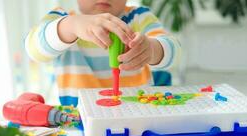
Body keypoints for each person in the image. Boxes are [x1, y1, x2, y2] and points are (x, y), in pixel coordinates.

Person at [25, 0, 181, 106]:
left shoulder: (140, 17)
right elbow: (33, 50)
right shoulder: (63, 19)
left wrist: (152, 49)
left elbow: (176, 52)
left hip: (137, 117)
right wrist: (70, 26)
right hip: (78, 120)